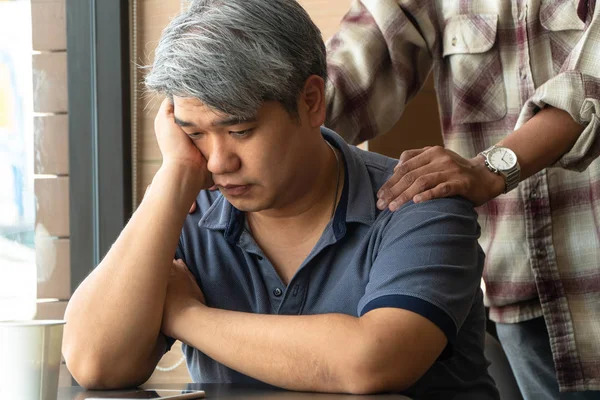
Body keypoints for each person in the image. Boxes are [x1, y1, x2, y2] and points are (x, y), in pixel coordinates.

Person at [61, 0, 500, 398]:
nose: (217, 162)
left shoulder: (420, 204)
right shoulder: (187, 211)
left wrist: (183, 315)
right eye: (194, 134)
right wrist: (173, 175)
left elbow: (373, 362)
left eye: (239, 131)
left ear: (311, 101)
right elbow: (95, 363)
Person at [324, 0, 600, 398]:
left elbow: (593, 82)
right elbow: (350, 73)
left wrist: (488, 169)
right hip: (522, 291)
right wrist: (246, 134)